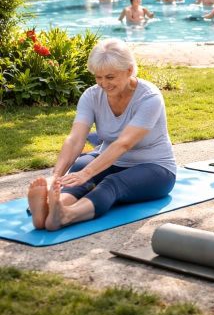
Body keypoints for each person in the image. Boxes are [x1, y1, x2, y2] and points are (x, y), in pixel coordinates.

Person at [26, 39, 176, 231]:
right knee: (79, 167)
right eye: (99, 77)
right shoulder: (91, 96)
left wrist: (87, 173)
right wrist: (56, 176)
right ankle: (50, 210)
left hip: (154, 168)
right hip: (110, 160)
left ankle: (65, 215)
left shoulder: (149, 97)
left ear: (129, 70)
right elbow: (75, 139)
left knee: (110, 183)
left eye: (110, 77)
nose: (104, 84)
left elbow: (124, 143)